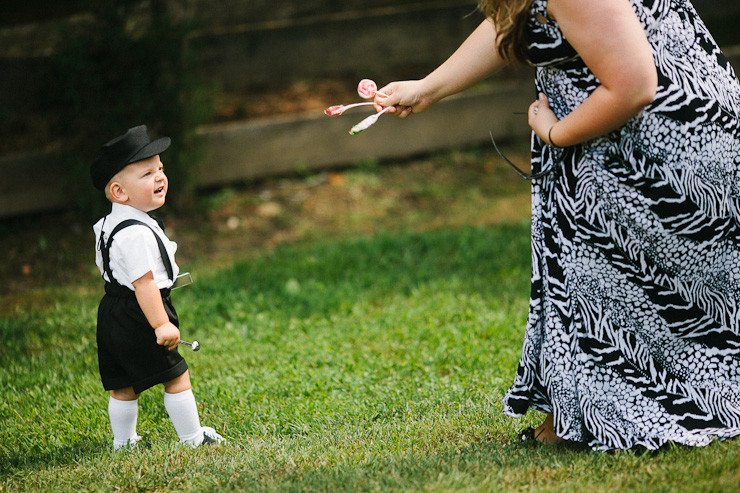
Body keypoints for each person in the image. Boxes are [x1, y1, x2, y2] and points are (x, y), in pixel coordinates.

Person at [375, 0, 740, 451]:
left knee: (611, 287)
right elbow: (513, 22)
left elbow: (634, 85)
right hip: (629, 141)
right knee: (595, 281)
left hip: (658, 155)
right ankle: (575, 413)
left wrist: (556, 133)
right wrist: (427, 88)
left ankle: (612, 415)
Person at [90, 125, 223, 449]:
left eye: (160, 169)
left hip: (113, 310)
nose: (160, 177)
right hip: (142, 310)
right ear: (120, 192)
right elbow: (144, 283)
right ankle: (192, 438)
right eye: (148, 173)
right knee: (176, 375)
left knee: (123, 384)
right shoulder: (136, 234)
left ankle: (124, 442)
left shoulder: (109, 223)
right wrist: (160, 323)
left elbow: (105, 265)